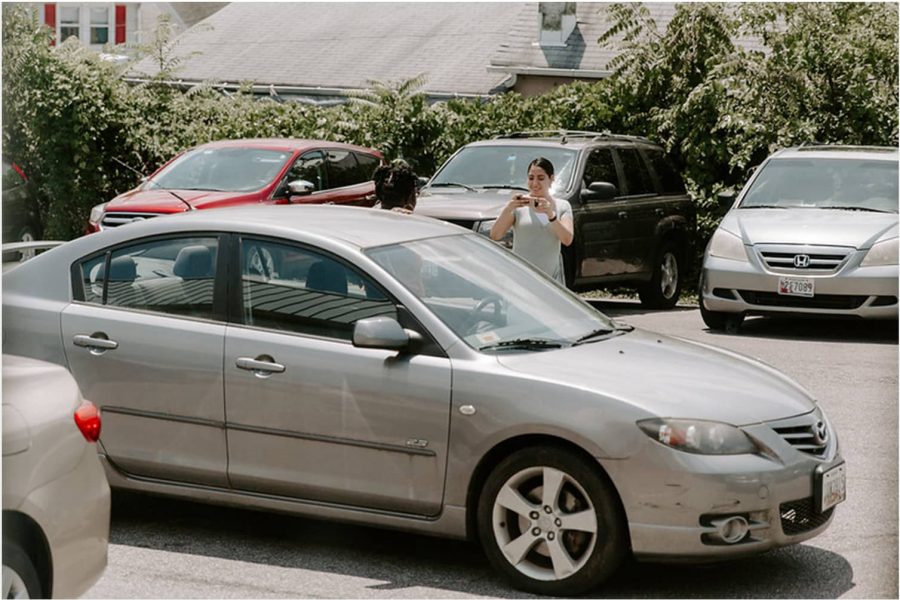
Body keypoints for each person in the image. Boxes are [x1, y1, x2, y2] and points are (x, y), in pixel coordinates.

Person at [490, 157, 574, 284]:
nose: (535, 183)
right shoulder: (519, 206)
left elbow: (567, 239)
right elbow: (495, 235)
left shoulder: (562, 206)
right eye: (531, 178)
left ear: (551, 179)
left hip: (551, 279)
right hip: (521, 279)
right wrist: (508, 209)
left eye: (541, 178)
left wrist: (550, 215)